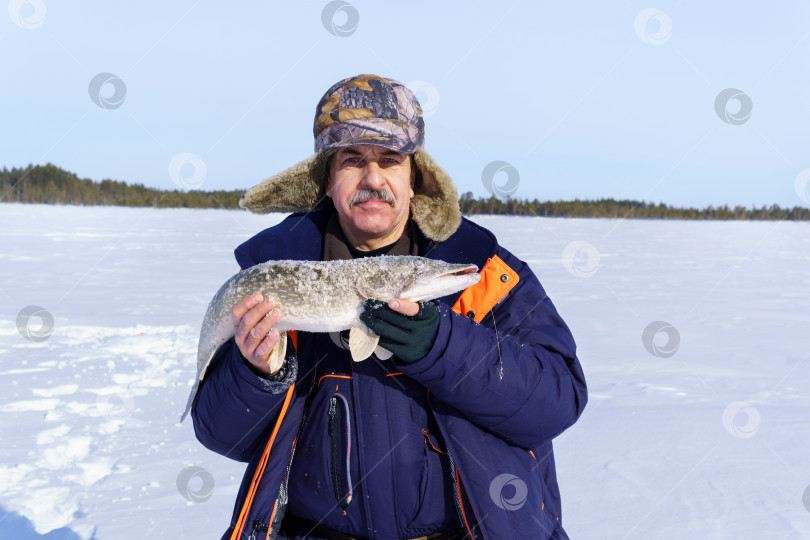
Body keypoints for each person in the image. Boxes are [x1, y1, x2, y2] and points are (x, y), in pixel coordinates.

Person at [190, 74, 587, 540]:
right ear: (327, 179)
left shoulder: (487, 273)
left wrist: (441, 346)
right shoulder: (269, 278)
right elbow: (220, 435)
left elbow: (559, 401)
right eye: (352, 160)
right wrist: (258, 374)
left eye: (390, 160)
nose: (372, 179)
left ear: (414, 177)